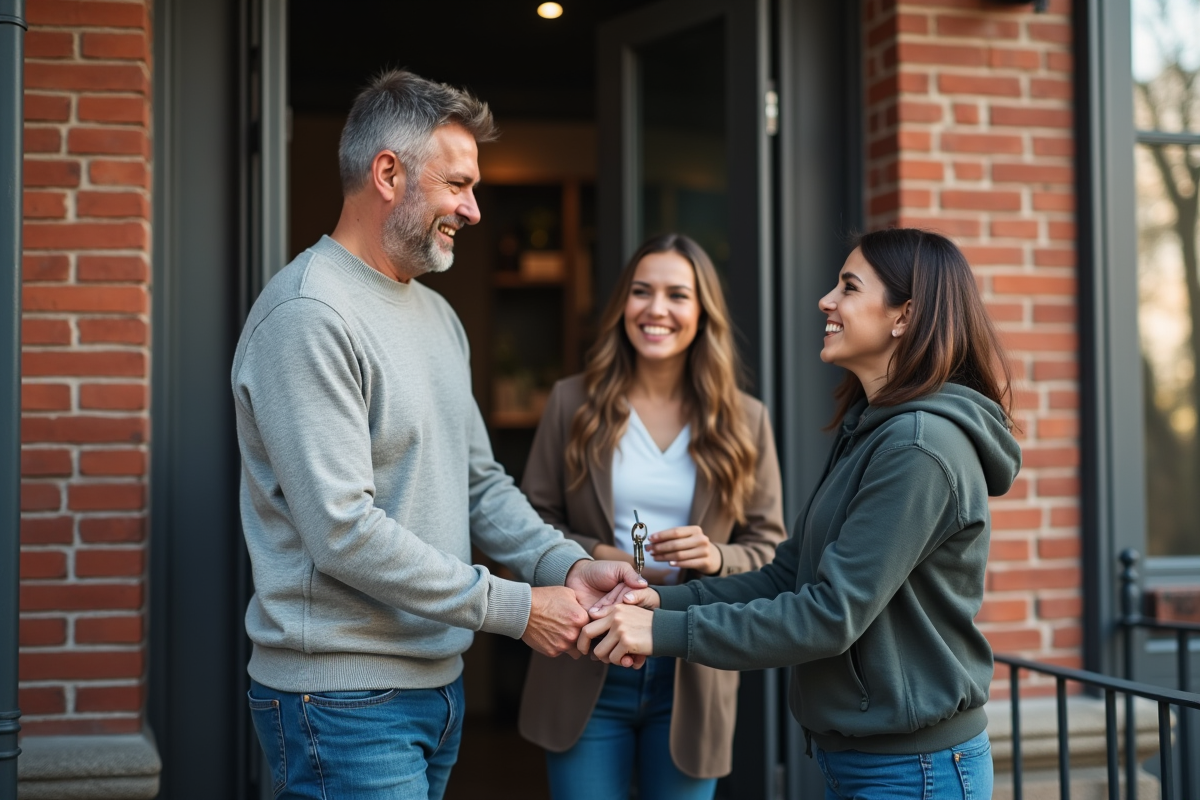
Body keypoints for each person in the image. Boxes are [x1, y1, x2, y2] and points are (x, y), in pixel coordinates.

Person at [231, 70, 643, 800]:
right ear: (387, 173)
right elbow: (343, 531)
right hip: (342, 699)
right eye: (458, 184)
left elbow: (477, 481)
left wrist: (561, 563)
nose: (474, 209)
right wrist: (517, 610)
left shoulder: (437, 316)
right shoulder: (308, 316)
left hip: (435, 688)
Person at [582, 228, 1022, 800]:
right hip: (866, 762)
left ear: (904, 316)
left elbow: (829, 615)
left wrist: (661, 631)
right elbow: (785, 575)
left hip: (916, 773)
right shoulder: (872, 430)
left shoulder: (919, 447)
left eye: (848, 287)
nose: (826, 300)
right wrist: (659, 600)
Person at [517, 233, 787, 800]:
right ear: (623, 306)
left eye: (677, 295)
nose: (656, 309)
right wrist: (592, 556)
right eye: (642, 292)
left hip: (692, 665)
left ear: (701, 312)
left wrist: (717, 556)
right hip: (585, 653)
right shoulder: (572, 403)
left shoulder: (746, 420)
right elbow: (527, 521)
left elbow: (769, 548)